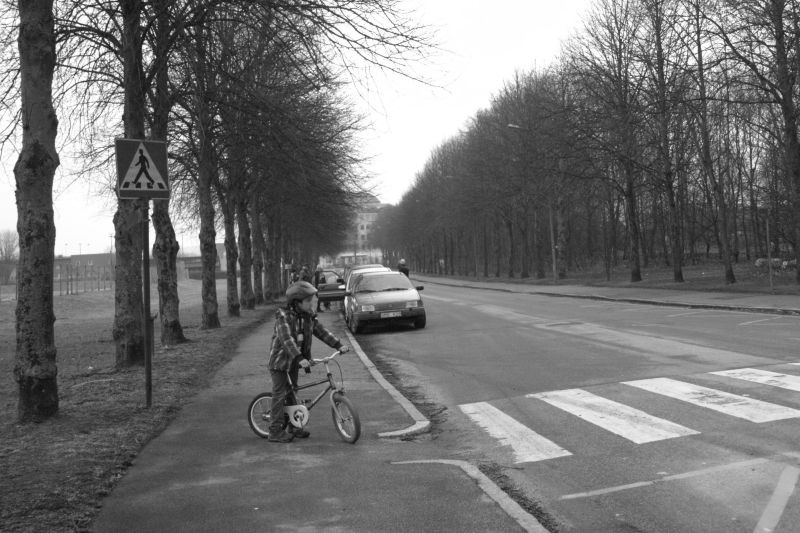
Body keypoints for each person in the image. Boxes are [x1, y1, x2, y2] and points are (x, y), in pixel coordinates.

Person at [267, 281, 349, 442]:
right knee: (280, 393)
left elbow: (321, 331)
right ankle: (274, 431)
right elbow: (286, 339)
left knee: (292, 392)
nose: (311, 304)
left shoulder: (307, 317)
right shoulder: (283, 317)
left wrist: (338, 345)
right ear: (297, 302)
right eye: (308, 301)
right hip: (280, 362)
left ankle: (294, 426)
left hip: (295, 362)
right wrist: (299, 358)